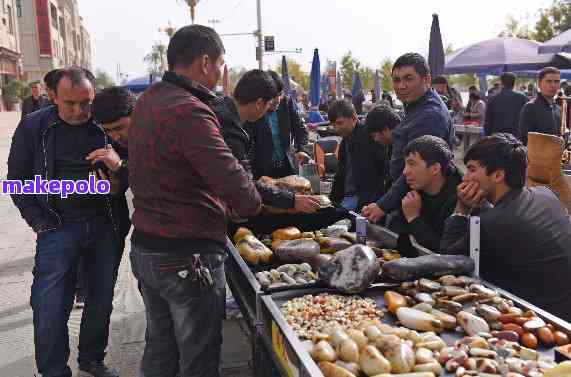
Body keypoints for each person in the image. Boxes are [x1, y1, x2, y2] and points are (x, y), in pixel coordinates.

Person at [128, 25, 261, 377]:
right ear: (205, 62)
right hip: (186, 254)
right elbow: (234, 183)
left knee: (161, 350)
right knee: (199, 358)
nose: (220, 72)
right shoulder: (189, 109)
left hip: (147, 248)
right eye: (220, 63)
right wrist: (251, 200)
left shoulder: (148, 100)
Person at [8, 67, 131, 377]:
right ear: (53, 97)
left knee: (100, 300)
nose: (80, 111)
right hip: (57, 227)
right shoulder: (34, 127)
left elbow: (134, 167)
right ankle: (52, 371)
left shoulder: (105, 122)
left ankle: (92, 359)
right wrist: (38, 221)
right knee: (49, 306)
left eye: (85, 103)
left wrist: (119, 174)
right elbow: (16, 180)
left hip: (106, 224)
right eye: (70, 104)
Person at [441, 133, 571, 321]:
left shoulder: (493, 223)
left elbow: (448, 259)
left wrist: (461, 209)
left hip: (539, 318)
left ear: (498, 175)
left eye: (471, 170)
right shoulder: (545, 194)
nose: (465, 177)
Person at [361, 52, 454, 223]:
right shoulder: (416, 105)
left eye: (408, 78)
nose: (402, 86)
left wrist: (383, 205)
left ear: (426, 79)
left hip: (419, 206)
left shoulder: (429, 115)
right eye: (397, 80)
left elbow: (416, 169)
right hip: (407, 198)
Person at [211, 69, 321, 215]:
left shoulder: (220, 110)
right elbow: (244, 184)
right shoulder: (231, 129)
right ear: (259, 103)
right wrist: (292, 200)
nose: (271, 107)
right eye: (268, 103)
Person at [388, 135, 462, 252]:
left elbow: (444, 250)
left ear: (435, 169)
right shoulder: (414, 188)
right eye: (406, 164)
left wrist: (413, 218)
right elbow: (394, 225)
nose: (405, 171)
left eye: (412, 164)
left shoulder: (460, 200)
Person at [328, 100, 390, 212]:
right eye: (333, 124)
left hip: (362, 203)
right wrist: (331, 201)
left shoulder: (371, 138)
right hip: (350, 200)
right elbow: (341, 174)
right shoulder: (345, 141)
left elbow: (381, 174)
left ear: (353, 118)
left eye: (339, 123)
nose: (336, 128)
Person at [247, 70, 309, 179]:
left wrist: (301, 150)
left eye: (280, 94)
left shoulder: (287, 103)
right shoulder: (254, 111)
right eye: (274, 96)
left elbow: (301, 130)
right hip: (262, 173)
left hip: (287, 167)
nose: (278, 100)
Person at [364, 104, 401, 194]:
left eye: (375, 136)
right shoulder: (391, 146)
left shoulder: (402, 150)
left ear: (386, 129)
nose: (375, 140)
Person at [519, 67, 562, 145]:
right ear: (539, 83)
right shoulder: (531, 107)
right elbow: (524, 140)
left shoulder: (558, 109)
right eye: (549, 81)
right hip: (537, 156)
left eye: (556, 81)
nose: (553, 85)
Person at [484, 72, 529, 137]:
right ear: (514, 83)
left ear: (501, 83)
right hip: (516, 137)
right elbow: (527, 120)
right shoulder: (523, 98)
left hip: (497, 138)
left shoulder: (493, 99)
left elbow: (487, 122)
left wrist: (488, 136)